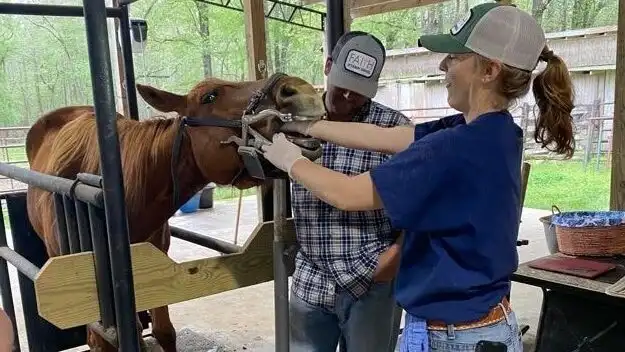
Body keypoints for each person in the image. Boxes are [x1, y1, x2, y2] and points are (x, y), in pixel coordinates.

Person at [263, 3, 574, 351]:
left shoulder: (453, 147)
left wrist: (290, 161)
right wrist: (308, 125)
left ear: (489, 70)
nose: (443, 65)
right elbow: (384, 137)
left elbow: (348, 194)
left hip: (454, 337)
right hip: (483, 324)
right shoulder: (494, 130)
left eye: (455, 58)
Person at [288, 31, 410, 352]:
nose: (348, 97)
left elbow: (421, 207)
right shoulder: (292, 121)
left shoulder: (394, 129)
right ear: (328, 66)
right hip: (310, 281)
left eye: (359, 91)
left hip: (371, 281)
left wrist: (393, 259)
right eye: (343, 84)